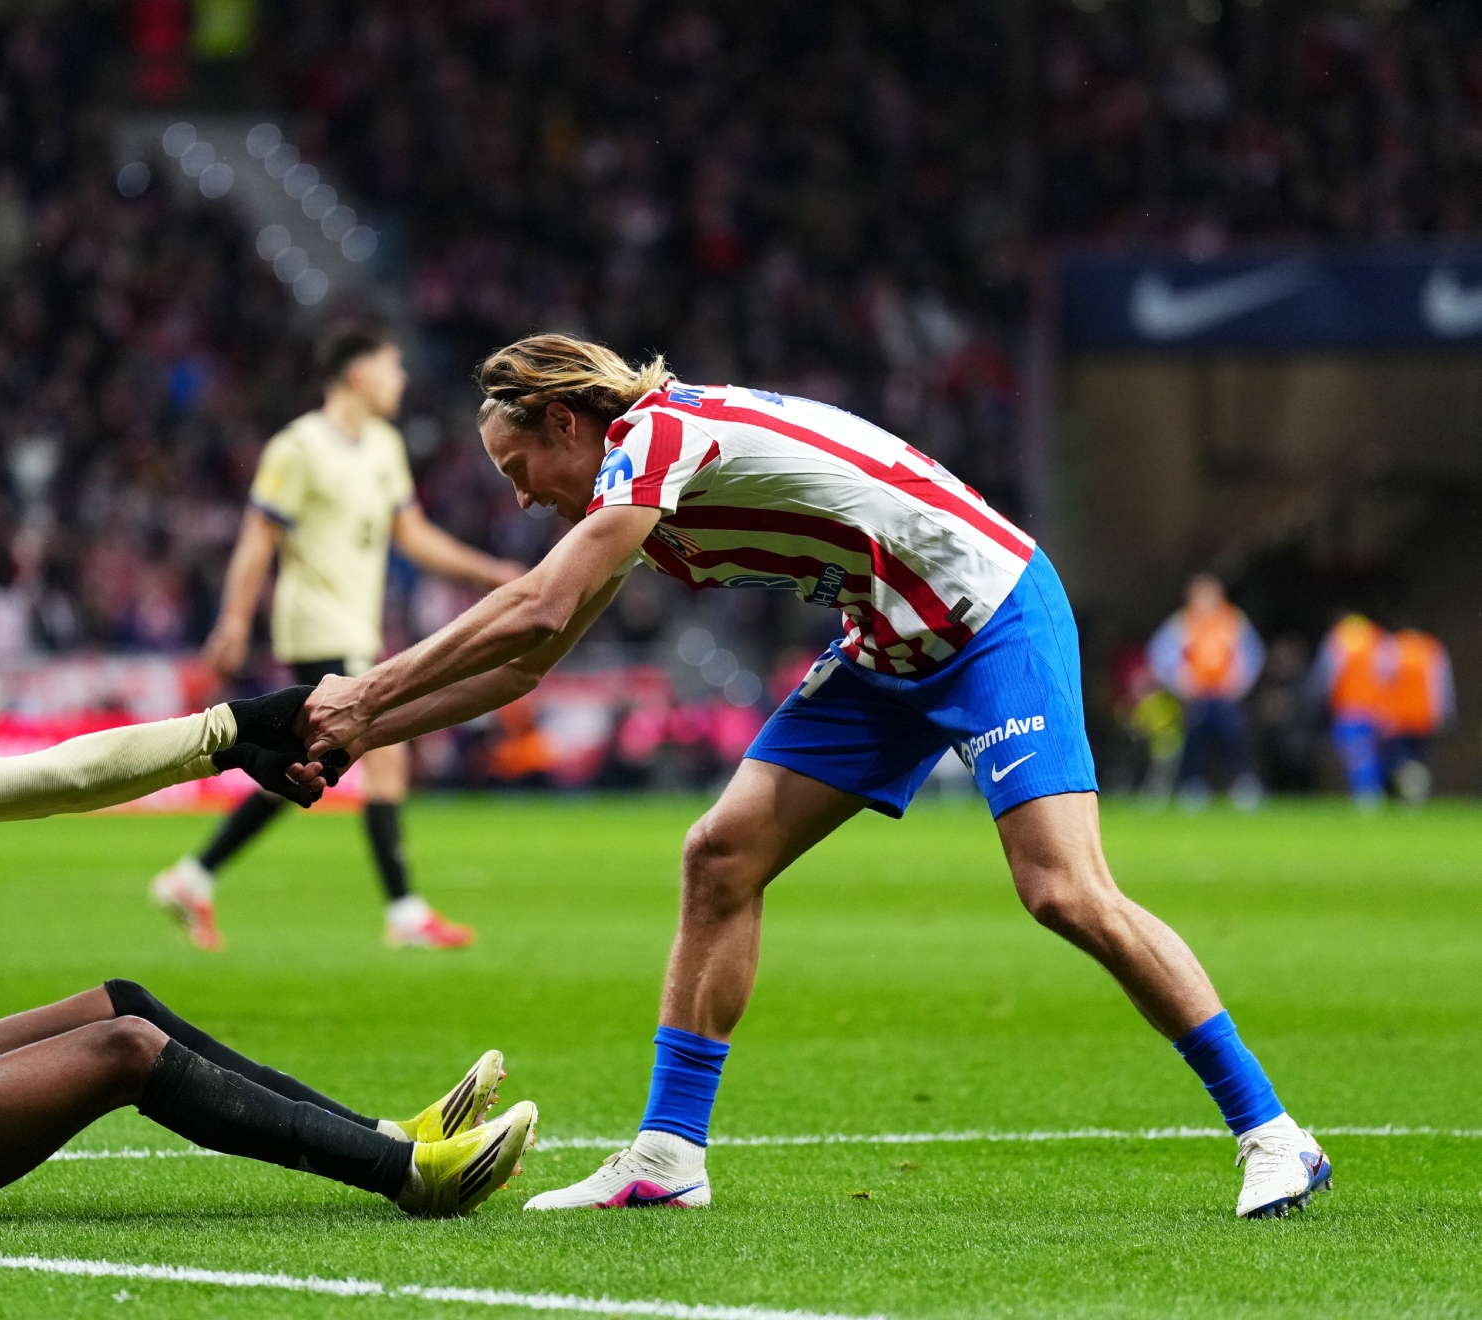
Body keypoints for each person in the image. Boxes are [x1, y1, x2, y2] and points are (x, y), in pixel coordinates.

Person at [299, 334, 1328, 1220]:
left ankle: (1274, 1134)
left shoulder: (655, 438)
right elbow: (529, 664)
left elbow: (534, 608)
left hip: (992, 618)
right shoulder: (633, 489)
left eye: (520, 468)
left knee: (1063, 890)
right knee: (720, 854)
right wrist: (363, 728)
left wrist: (365, 691)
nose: (521, 497)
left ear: (567, 423)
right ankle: (667, 1156)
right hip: (886, 644)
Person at [0, 609, 535, 1221]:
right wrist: (231, 727)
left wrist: (234, 752)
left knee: (117, 1003)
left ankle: (389, 1134)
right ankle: (409, 1175)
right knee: (125, 1049)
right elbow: (61, 778)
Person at [152, 328, 524, 952]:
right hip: (317, 626)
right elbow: (258, 538)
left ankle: (192, 878)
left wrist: (490, 574)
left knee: (306, 767)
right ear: (357, 373)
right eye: (391, 366)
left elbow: (413, 534)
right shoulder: (297, 448)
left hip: (357, 627)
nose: (401, 378)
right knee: (382, 752)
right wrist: (235, 621)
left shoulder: (383, 446)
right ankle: (404, 912)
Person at [1146, 573, 1264, 810]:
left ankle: (1243, 783)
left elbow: (1252, 652)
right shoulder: (1182, 621)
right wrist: (1178, 680)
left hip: (1225, 694)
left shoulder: (1232, 619)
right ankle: (1194, 784)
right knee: (1194, 738)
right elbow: (1159, 654)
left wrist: (1240, 680)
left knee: (1234, 735)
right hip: (1196, 695)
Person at [1310, 612, 1390, 811]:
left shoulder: (1338, 637)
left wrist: (1317, 696)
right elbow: (1389, 674)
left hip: (1349, 708)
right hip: (1375, 709)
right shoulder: (1378, 636)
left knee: (1356, 753)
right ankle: (1372, 792)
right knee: (1371, 753)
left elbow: (1327, 672)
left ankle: (1366, 794)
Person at [1379, 625, 1455, 804]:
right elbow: (1441, 685)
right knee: (1418, 757)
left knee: (1401, 758)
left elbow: (1382, 681)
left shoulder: (1393, 647)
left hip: (1399, 717)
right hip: (1423, 716)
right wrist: (1444, 713)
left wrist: (1381, 712)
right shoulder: (1431, 648)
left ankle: (1407, 794)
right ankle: (1415, 794)